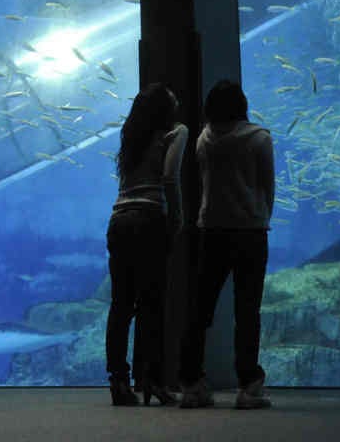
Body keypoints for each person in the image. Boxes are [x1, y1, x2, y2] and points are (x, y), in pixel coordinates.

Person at [178, 80, 274, 410]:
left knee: (200, 309)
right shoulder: (259, 138)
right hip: (250, 232)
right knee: (247, 311)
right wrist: (260, 216)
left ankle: (191, 382)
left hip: (212, 231)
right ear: (242, 104)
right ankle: (248, 385)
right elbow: (267, 186)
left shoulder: (203, 139)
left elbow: (203, 182)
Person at [105, 82, 187, 407]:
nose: (177, 100)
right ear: (166, 108)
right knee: (153, 306)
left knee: (121, 305)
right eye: (173, 97)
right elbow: (169, 177)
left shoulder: (131, 138)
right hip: (150, 219)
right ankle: (154, 380)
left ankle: (119, 381)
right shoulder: (176, 131)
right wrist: (177, 218)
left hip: (119, 221)